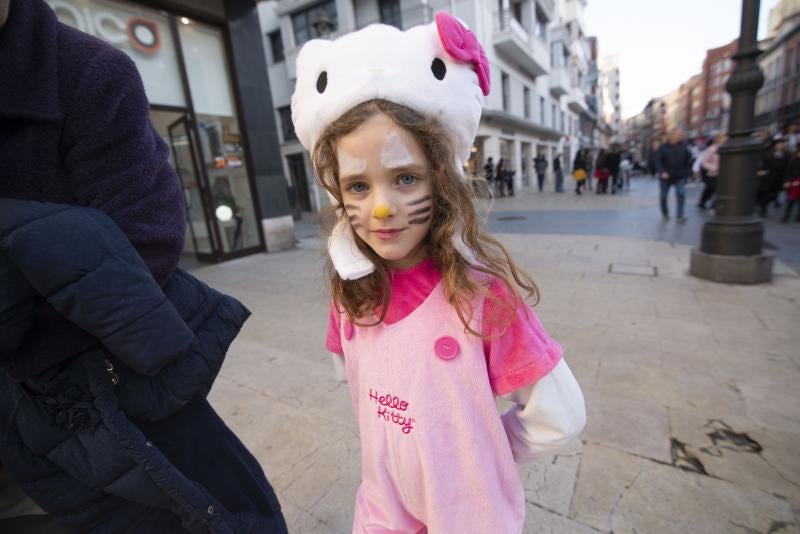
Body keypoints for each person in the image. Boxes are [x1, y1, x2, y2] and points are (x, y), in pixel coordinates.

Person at [291, 13, 586, 533]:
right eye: (359, 186)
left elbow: (559, 416)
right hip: (383, 508)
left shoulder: (481, 295)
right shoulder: (349, 295)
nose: (382, 208)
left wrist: (484, 452)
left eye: (405, 178)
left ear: (442, 181)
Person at [0, 1, 287, 532]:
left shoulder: (84, 73)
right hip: (25, 426)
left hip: (108, 394)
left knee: (216, 510)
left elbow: (149, 240)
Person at [655, 128, 693, 222]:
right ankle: (665, 214)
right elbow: (657, 161)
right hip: (666, 176)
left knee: (681, 194)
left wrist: (688, 172)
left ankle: (680, 215)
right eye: (677, 134)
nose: (680, 136)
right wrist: (662, 172)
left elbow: (688, 160)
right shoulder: (663, 147)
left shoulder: (683, 146)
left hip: (679, 176)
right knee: (663, 196)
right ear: (671, 135)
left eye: (681, 134)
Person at [757, 139, 789, 218]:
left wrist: (786, 180)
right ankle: (763, 208)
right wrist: (761, 171)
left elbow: (787, 168)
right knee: (765, 193)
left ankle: (762, 204)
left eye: (782, 144)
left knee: (773, 195)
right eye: (779, 144)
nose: (781, 146)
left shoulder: (786, 155)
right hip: (768, 177)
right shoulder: (769, 154)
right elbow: (764, 164)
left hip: (778, 178)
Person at [697, 135, 723, 210]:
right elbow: (703, 162)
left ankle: (713, 203)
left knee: (715, 189)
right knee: (712, 188)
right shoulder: (711, 149)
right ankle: (708, 202)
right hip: (711, 173)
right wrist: (713, 167)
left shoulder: (726, 148)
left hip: (723, 174)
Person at [782, 151, 800, 222]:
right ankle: (786, 215)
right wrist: (787, 181)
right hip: (794, 182)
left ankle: (798, 216)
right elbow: (788, 172)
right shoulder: (793, 162)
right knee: (791, 200)